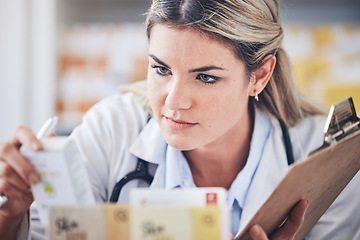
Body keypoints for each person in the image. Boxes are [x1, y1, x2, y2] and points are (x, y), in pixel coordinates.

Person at [1, 0, 360, 239]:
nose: (172, 101)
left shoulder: (327, 158)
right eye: (160, 69)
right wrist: (10, 213)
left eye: (205, 77)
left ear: (260, 75)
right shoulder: (110, 130)